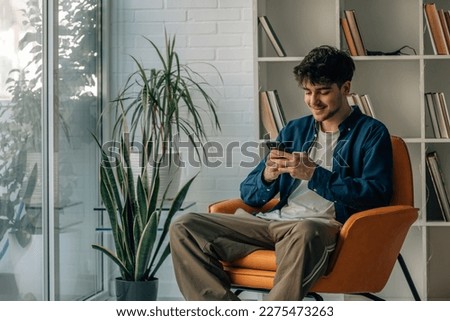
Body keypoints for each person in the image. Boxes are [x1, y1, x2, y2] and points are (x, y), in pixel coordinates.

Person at [169, 45, 393, 300]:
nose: (313, 101)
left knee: (305, 230)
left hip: (321, 227)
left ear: (345, 88)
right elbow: (249, 196)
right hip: (274, 223)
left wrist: (314, 174)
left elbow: (377, 195)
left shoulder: (372, 133)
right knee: (185, 226)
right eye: (308, 92)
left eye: (323, 92)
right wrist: (268, 175)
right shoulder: (295, 130)